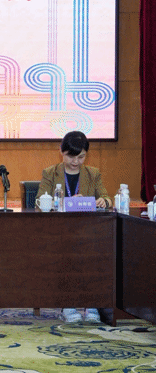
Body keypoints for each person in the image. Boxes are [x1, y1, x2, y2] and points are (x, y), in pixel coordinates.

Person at [37, 130, 111, 324]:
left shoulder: (93, 173)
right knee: (67, 255)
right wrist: (67, 202)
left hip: (88, 231)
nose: (76, 162)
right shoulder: (50, 173)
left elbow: (106, 197)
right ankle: (67, 305)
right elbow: (39, 201)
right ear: (61, 151)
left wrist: (104, 201)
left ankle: (91, 304)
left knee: (96, 255)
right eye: (71, 156)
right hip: (59, 231)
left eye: (81, 157)